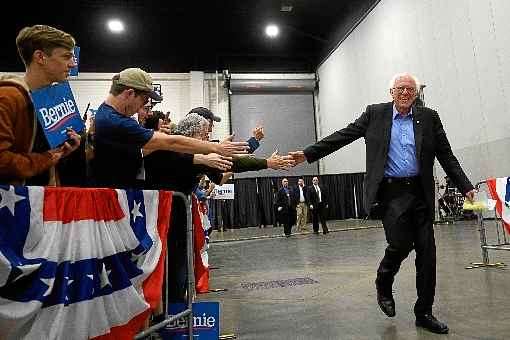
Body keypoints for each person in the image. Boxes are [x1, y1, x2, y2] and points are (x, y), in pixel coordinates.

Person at [289, 73, 475, 334]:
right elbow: (343, 136)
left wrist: (465, 185)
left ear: (416, 93)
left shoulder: (429, 117)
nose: (405, 93)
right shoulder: (375, 114)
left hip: (420, 193)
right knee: (400, 243)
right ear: (391, 92)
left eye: (410, 89)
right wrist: (308, 154)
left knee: (428, 255)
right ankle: (384, 278)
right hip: (391, 193)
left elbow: (446, 154)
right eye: (400, 88)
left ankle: (424, 312)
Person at [90, 67, 248, 188]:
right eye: (144, 100)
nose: (144, 107)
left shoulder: (108, 116)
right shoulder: (115, 121)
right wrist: (216, 147)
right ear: (129, 93)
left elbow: (138, 153)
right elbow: (172, 143)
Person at [0, 25, 81, 185]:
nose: (72, 64)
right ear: (40, 57)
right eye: (66, 57)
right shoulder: (8, 97)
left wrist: (60, 152)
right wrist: (47, 158)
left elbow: (38, 154)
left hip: (42, 200)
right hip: (15, 204)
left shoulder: (52, 100)